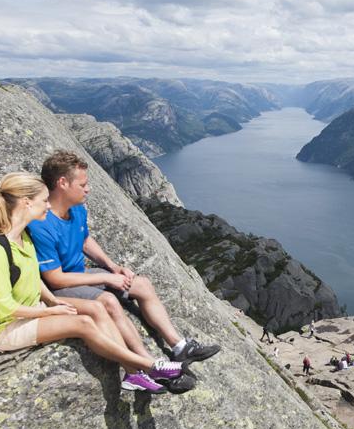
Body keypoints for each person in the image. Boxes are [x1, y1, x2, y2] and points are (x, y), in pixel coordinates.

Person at [0, 173, 192, 394]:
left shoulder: (21, 237)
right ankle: (147, 366)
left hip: (32, 308)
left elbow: (32, 277)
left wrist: (52, 300)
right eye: (44, 200)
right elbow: (2, 307)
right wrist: (50, 312)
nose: (48, 206)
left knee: (97, 306)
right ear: (26, 203)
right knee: (83, 323)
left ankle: (133, 374)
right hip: (5, 327)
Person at [28, 151, 220, 371]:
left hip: (80, 276)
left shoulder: (76, 209)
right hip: (59, 288)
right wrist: (107, 277)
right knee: (109, 300)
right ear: (62, 183)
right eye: (82, 184)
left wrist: (113, 266)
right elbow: (55, 278)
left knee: (142, 284)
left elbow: (84, 241)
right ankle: (151, 366)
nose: (88, 189)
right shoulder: (41, 223)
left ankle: (180, 347)